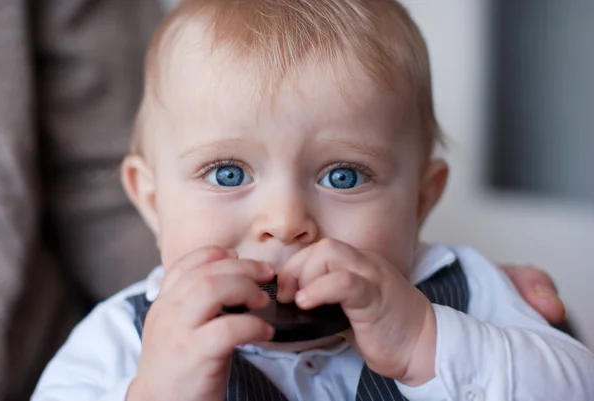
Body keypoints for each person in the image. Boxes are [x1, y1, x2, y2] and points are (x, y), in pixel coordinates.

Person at [30, 1, 592, 400]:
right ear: (151, 201)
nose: (286, 222)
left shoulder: (466, 292)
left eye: (344, 176)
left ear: (421, 200)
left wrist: (430, 342)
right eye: (227, 173)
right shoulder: (124, 335)